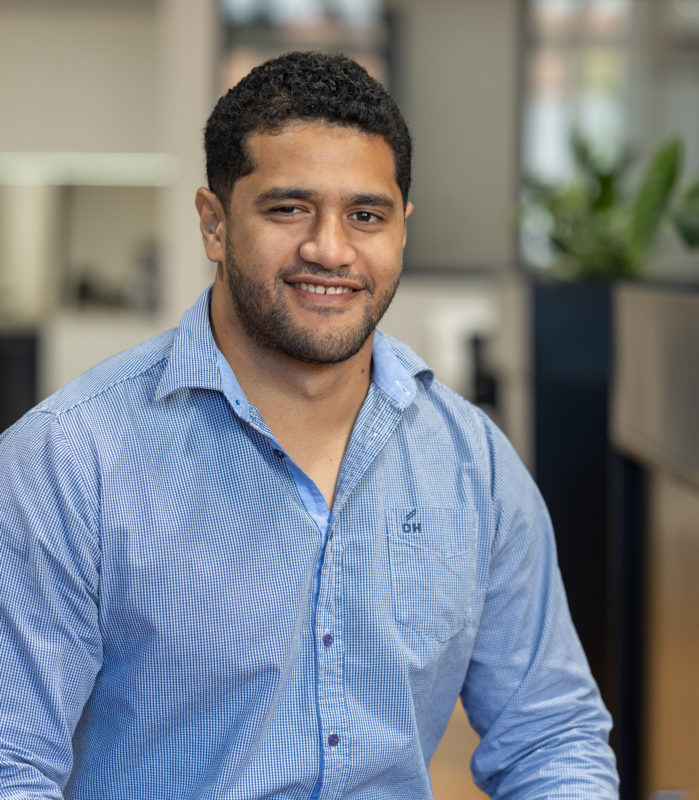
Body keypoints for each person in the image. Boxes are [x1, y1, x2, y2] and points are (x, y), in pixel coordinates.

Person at [0, 51, 618, 799]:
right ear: (214, 223)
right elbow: (12, 765)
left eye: (366, 216)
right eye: (289, 209)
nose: (330, 249)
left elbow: (551, 738)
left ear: (401, 229)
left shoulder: (472, 464)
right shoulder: (68, 460)